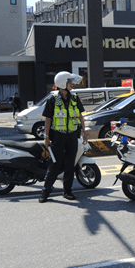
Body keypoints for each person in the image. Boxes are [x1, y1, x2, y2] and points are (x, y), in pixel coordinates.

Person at [39, 71, 87, 203]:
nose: (72, 84)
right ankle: (45, 192)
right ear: (62, 83)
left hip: (72, 136)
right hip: (58, 137)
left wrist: (84, 132)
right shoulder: (53, 99)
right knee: (55, 165)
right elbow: (48, 119)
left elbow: (80, 116)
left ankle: (67, 192)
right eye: (69, 82)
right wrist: (46, 136)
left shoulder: (75, 98)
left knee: (70, 165)